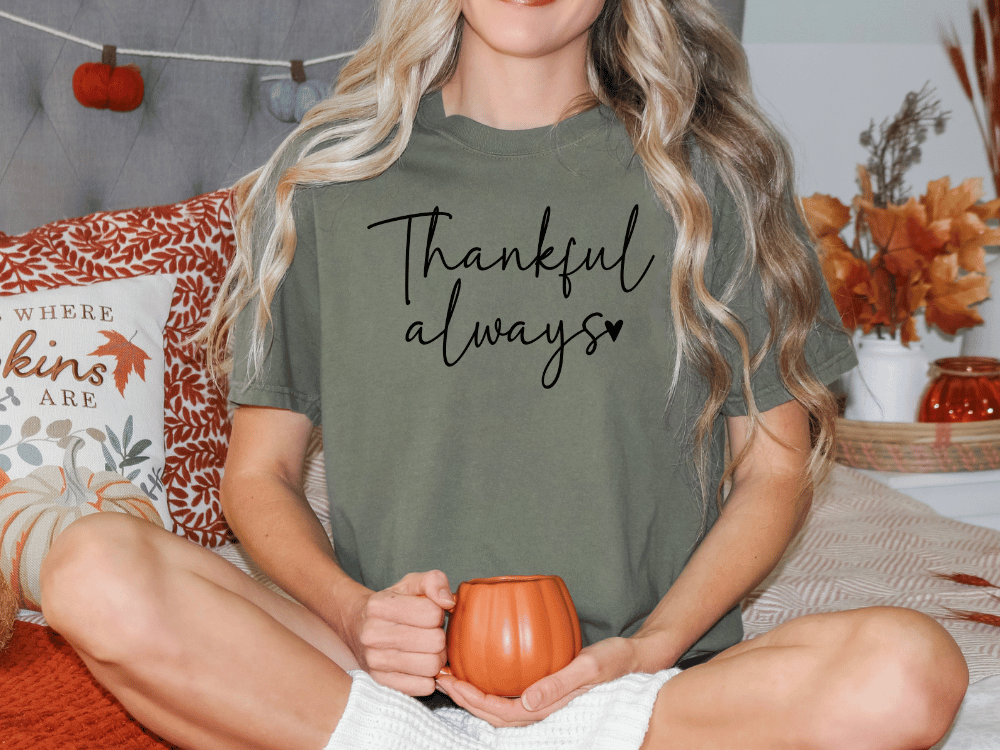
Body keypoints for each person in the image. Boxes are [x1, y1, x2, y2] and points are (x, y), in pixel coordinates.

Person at [40, 0, 969, 748]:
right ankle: (401, 739)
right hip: (375, 673)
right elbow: (259, 474)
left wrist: (643, 652)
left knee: (910, 671)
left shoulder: (719, 177)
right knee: (88, 564)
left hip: (637, 695)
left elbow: (771, 469)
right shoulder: (323, 176)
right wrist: (357, 615)